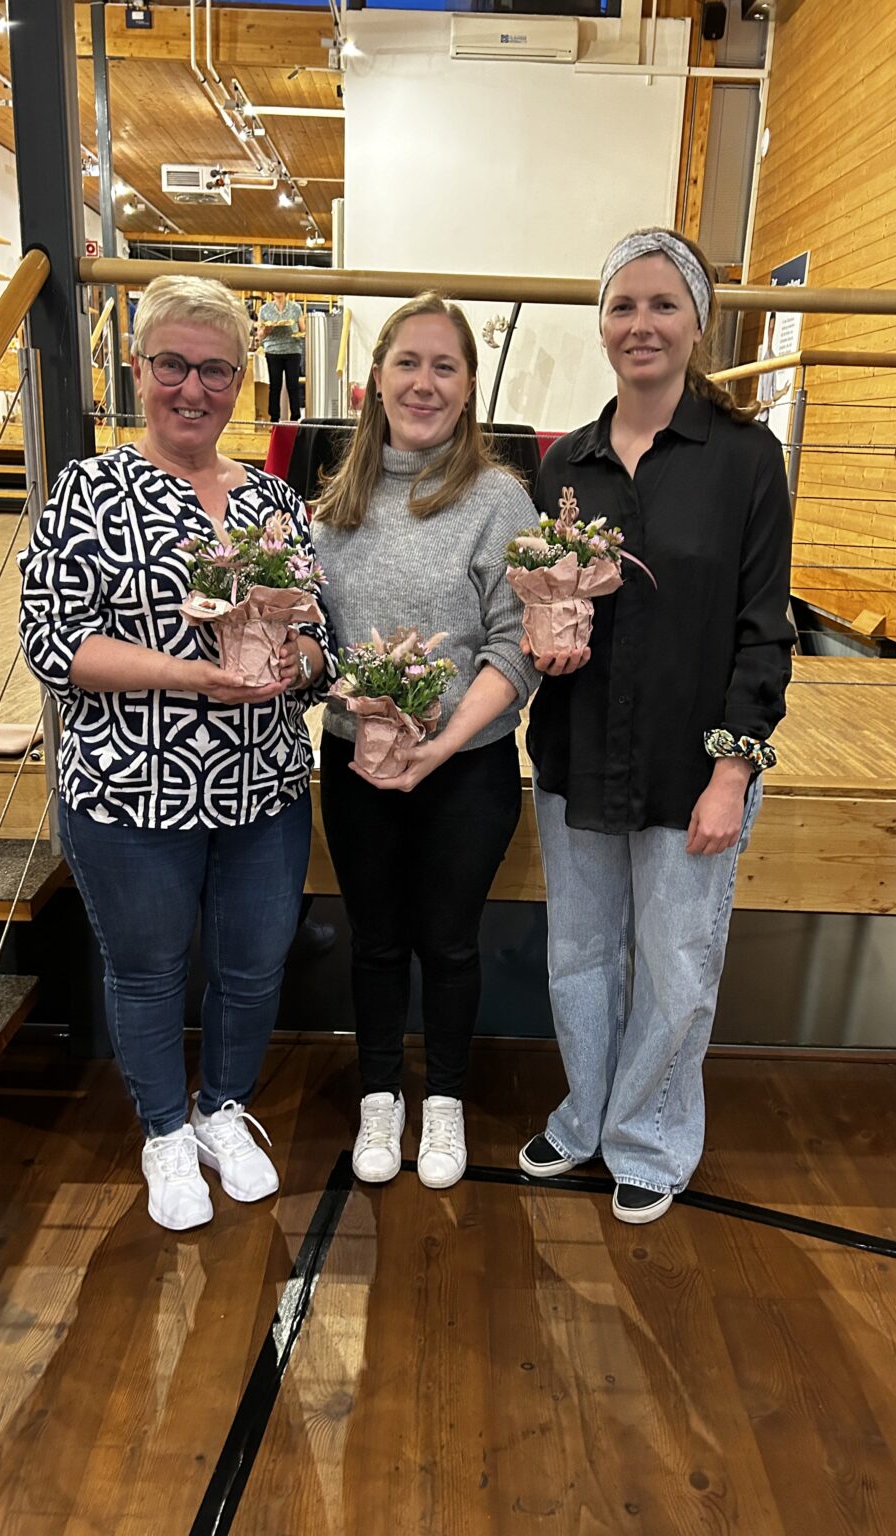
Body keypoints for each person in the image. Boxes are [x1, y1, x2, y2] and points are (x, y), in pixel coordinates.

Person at [19, 275, 335, 1232]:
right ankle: (164, 1130)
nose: (191, 389)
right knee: (149, 969)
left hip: (264, 788)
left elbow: (326, 643)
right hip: (127, 791)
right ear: (138, 367)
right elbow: (54, 645)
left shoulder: (278, 501)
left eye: (214, 370)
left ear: (242, 379)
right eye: (172, 367)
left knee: (251, 966)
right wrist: (194, 677)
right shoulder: (89, 488)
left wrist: (300, 659)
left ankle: (221, 1112)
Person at [518, 228, 794, 1225]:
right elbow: (547, 608)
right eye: (623, 306)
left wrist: (734, 773)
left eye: (662, 304)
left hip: (691, 764)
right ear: (601, 324)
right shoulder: (565, 465)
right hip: (578, 753)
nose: (642, 324)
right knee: (578, 956)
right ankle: (585, 1114)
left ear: (697, 321)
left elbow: (765, 632)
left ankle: (650, 1139)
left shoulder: (747, 462)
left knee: (678, 968)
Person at [312, 292, 539, 1191]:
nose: (425, 382)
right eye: (409, 362)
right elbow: (311, 643)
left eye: (446, 366)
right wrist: (353, 705)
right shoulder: (334, 506)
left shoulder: (498, 501)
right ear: (376, 378)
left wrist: (437, 745)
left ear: (470, 386)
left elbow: (515, 646)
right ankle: (380, 1097)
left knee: (448, 942)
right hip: (355, 761)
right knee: (373, 942)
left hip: (465, 767)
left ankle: (441, 1102)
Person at [257, 290, 305, 423]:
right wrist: (266, 330)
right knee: (275, 385)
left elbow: (303, 329)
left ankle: (295, 417)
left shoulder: (295, 308)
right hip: (273, 350)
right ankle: (274, 418)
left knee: (293, 384)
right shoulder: (264, 309)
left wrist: (299, 334)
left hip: (292, 350)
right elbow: (259, 335)